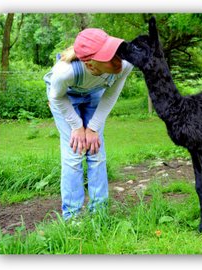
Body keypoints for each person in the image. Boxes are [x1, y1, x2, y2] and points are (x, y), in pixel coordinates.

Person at [44, 28, 134, 220]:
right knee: (74, 152)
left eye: (115, 50)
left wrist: (92, 128)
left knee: (96, 151)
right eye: (108, 56)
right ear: (91, 64)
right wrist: (77, 127)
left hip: (95, 94)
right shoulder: (64, 72)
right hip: (64, 98)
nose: (117, 59)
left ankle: (99, 213)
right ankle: (72, 217)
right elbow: (57, 98)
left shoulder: (125, 63)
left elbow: (111, 95)